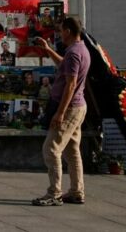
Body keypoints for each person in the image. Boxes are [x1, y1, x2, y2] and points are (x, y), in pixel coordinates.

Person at [31, 17, 91, 207]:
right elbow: (63, 65)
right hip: (78, 106)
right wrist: (48, 49)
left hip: (70, 107)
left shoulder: (74, 52)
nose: (59, 34)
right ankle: (76, 191)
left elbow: (71, 84)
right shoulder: (79, 49)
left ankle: (54, 193)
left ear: (68, 31)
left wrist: (60, 112)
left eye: (61, 30)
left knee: (51, 149)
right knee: (72, 151)